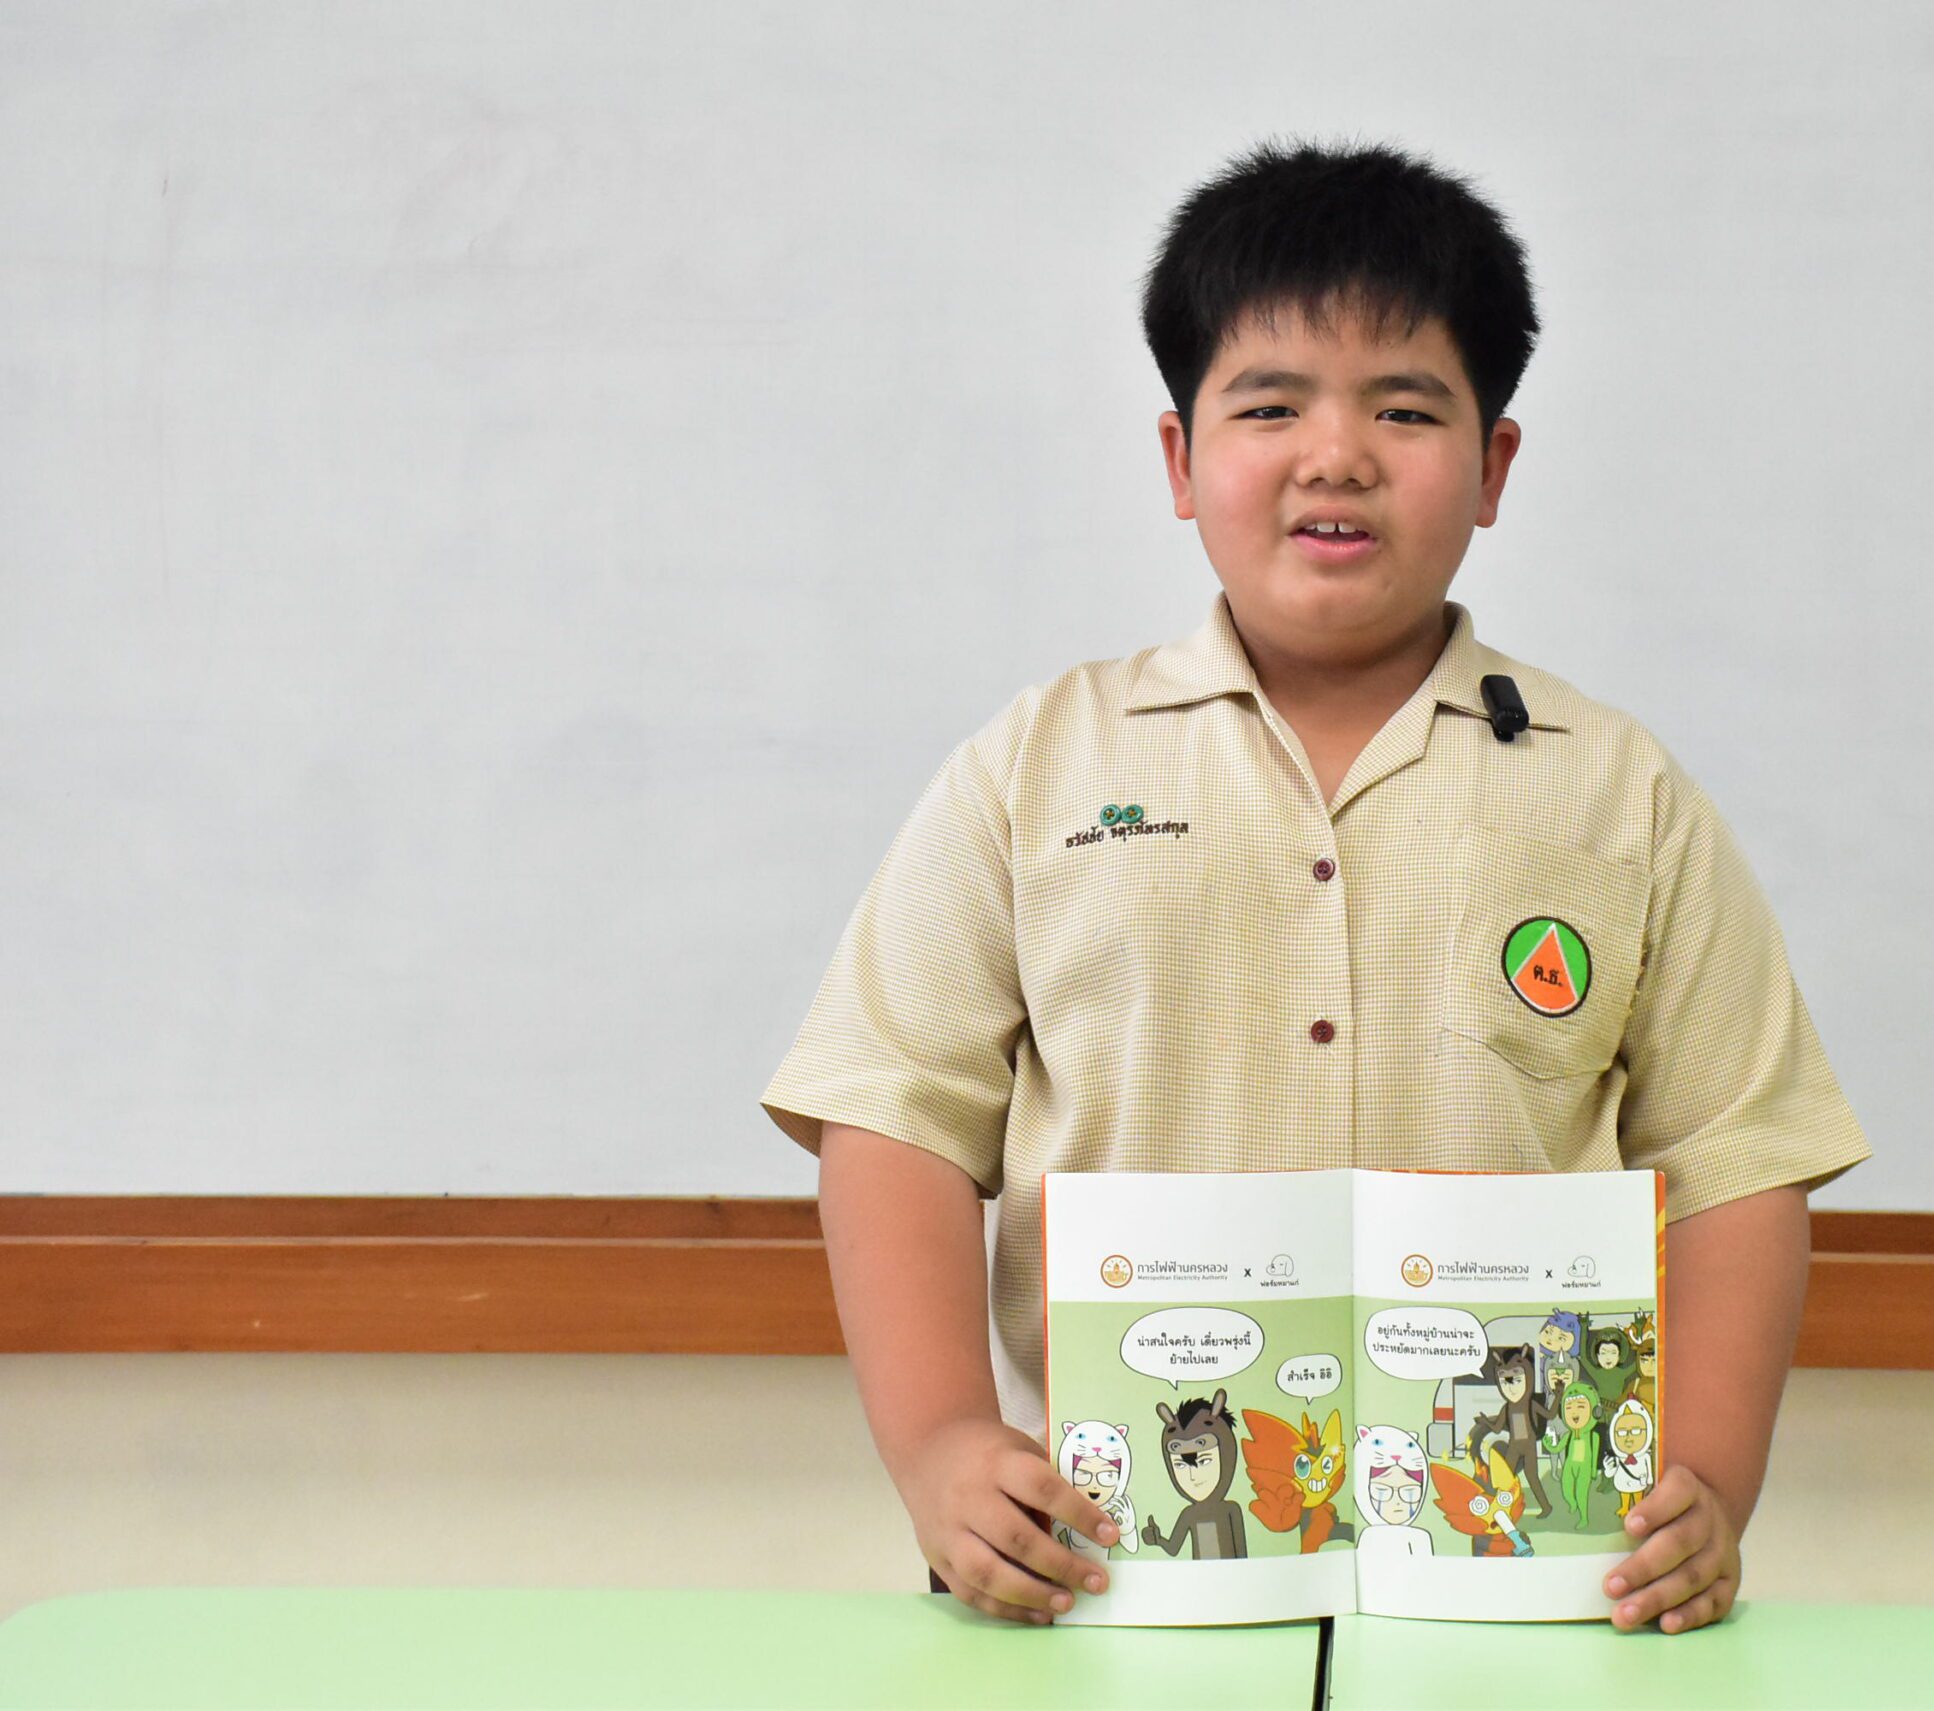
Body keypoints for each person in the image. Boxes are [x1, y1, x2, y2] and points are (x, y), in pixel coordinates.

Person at [759, 137, 1871, 1633]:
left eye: (1404, 409)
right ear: (1180, 460)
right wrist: (944, 1443)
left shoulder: (1620, 793)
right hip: (1116, 1570)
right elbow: (893, 1116)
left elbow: (1736, 1159)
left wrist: (1710, 1481)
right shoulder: (1037, 767)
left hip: (1520, 1574)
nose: (1335, 455)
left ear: (1494, 467)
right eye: (1271, 405)